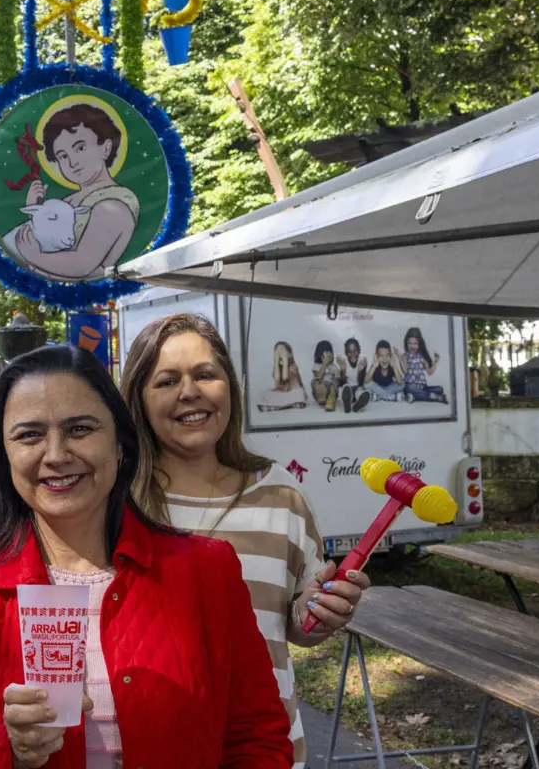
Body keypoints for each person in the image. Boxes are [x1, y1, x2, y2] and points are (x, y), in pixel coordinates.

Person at [0, 345, 293, 768]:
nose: (56, 454)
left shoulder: (206, 569)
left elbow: (260, 739)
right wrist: (3, 745)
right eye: (29, 435)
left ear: (120, 444)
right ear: (5, 456)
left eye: (80, 429)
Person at [119, 314, 372, 769]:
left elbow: (296, 625)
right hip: (149, 749)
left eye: (205, 374)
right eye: (167, 381)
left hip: (266, 749)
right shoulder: (117, 505)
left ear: (229, 388)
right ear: (138, 399)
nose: (189, 392)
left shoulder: (282, 495)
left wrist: (320, 612)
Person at [12, 103, 141, 280]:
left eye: (80, 148)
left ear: (105, 147)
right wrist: (35, 211)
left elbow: (81, 264)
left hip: (89, 290)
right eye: (63, 156)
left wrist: (34, 256)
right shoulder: (72, 200)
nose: (73, 162)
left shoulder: (113, 205)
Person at [400, 326, 448, 403]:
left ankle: (414, 396)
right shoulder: (405, 356)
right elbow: (405, 371)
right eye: (410, 343)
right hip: (410, 386)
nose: (412, 346)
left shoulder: (422, 357)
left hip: (422, 387)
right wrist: (399, 357)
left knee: (440, 389)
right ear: (406, 343)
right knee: (409, 388)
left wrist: (436, 361)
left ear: (419, 344)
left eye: (415, 343)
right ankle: (436, 397)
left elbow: (429, 372)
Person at [256, 341, 307, 412]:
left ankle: (277, 406)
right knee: (265, 394)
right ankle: (285, 405)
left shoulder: (293, 367)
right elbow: (277, 379)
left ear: (290, 354)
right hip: (280, 392)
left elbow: (285, 377)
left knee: (299, 394)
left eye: (283, 352)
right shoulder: (276, 368)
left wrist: (285, 360)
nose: (280, 355)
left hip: (292, 391)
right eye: (278, 353)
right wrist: (276, 361)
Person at [337, 337, 371, 413]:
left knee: (360, 391)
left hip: (357, 387)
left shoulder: (362, 361)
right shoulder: (343, 361)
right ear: (346, 352)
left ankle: (357, 406)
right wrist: (343, 370)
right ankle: (347, 404)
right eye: (349, 352)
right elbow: (342, 382)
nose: (352, 354)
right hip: (347, 388)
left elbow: (361, 382)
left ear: (359, 350)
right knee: (342, 390)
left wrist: (360, 371)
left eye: (355, 351)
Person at [311, 340, 338, 412]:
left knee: (332, 384)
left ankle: (330, 401)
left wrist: (340, 369)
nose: (329, 354)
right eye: (326, 352)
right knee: (315, 381)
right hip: (320, 389)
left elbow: (338, 379)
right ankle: (322, 399)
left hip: (331, 389)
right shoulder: (316, 365)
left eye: (330, 352)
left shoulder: (333, 366)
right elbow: (318, 377)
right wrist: (324, 364)